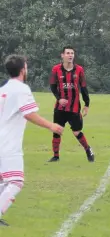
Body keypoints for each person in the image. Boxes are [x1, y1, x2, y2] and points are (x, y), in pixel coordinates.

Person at [0, 55, 65, 226]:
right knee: (15, 181)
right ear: (23, 70)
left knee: (3, 180)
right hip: (8, 144)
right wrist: (51, 126)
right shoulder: (21, 89)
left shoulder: (3, 89)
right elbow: (28, 113)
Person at [48, 46, 94, 163]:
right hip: (60, 108)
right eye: (68, 53)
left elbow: (83, 87)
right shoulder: (56, 69)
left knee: (76, 132)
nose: (70, 55)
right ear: (62, 55)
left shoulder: (79, 70)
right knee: (57, 130)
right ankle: (56, 156)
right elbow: (53, 86)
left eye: (72, 53)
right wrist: (59, 99)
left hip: (74, 108)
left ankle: (88, 150)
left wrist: (87, 104)